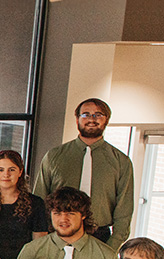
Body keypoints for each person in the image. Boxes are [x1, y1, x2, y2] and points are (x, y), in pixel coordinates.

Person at [35, 98, 133, 246]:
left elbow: (124, 212)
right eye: (86, 114)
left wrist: (111, 248)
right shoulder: (54, 156)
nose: (92, 119)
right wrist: (43, 241)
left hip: (99, 237)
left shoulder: (121, 162)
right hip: (57, 235)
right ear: (77, 119)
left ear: (106, 120)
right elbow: (39, 200)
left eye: (98, 114)